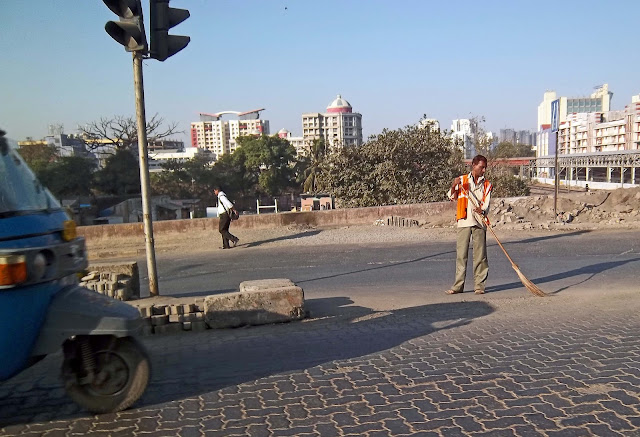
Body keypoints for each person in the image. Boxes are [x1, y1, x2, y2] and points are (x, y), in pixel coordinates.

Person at [445, 155, 492, 295]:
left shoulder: (487, 184)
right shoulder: (462, 180)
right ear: (473, 165)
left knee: (480, 256)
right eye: (481, 167)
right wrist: (454, 185)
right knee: (461, 255)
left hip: (479, 221)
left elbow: (486, 204)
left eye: (484, 168)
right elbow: (451, 196)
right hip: (464, 220)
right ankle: (458, 286)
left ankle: (479, 286)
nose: (483, 170)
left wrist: (481, 209)